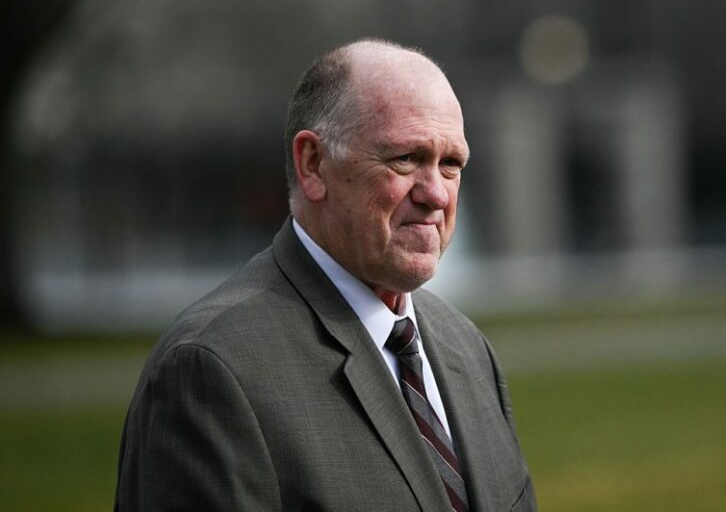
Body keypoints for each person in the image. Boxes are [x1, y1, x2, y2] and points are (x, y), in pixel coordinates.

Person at [115, 38, 536, 512]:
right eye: (405, 159)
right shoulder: (211, 371)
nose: (437, 194)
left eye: (451, 164)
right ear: (313, 165)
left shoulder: (467, 348)